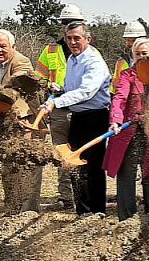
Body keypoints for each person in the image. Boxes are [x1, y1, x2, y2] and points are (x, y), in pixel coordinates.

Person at [41, 22, 111, 215]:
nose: (72, 42)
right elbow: (74, 89)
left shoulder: (94, 62)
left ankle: (97, 211)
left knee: (94, 166)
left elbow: (86, 91)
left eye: (77, 38)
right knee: (74, 163)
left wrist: (57, 102)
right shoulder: (72, 60)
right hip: (78, 116)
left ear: (88, 39)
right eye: (69, 38)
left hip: (96, 117)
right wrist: (60, 91)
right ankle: (82, 210)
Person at [0, 29, 41, 214]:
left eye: (2, 46)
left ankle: (29, 211)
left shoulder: (22, 62)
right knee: (6, 164)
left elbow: (13, 91)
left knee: (27, 164)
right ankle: (12, 207)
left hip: (25, 121)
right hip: (1, 121)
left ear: (12, 47)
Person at [103, 38, 149, 221]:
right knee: (127, 173)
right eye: (137, 54)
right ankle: (127, 217)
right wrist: (115, 120)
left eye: (145, 54)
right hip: (127, 132)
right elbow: (119, 99)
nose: (141, 57)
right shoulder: (127, 75)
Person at [34, 4, 86, 209]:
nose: (68, 26)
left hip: (82, 108)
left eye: (73, 23)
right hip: (58, 109)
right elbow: (38, 79)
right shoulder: (51, 50)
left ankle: (84, 194)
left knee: (82, 151)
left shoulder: (89, 51)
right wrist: (48, 85)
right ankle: (67, 197)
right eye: (65, 23)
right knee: (62, 152)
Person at [110, 20, 147, 94]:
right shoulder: (121, 62)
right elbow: (115, 86)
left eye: (133, 40)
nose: (130, 44)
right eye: (128, 40)